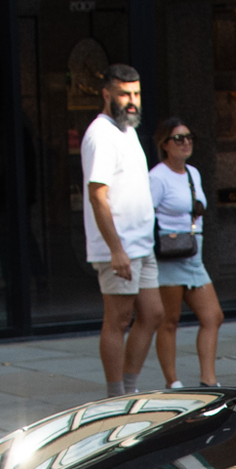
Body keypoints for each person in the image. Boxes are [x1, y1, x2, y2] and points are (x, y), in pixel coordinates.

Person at [80, 63, 161, 394]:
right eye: (124, 93)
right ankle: (115, 396)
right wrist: (116, 249)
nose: (132, 100)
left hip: (142, 244)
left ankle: (130, 386)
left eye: (137, 94)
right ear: (106, 94)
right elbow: (97, 196)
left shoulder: (128, 130)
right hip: (119, 246)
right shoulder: (100, 136)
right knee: (118, 318)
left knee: (153, 314)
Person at [149, 117, 224, 388]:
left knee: (213, 316)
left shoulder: (193, 173)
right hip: (170, 255)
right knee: (169, 320)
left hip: (193, 253)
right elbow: (148, 215)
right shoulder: (157, 177)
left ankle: (209, 380)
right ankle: (173, 382)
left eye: (189, 137)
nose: (186, 143)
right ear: (165, 144)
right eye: (178, 138)